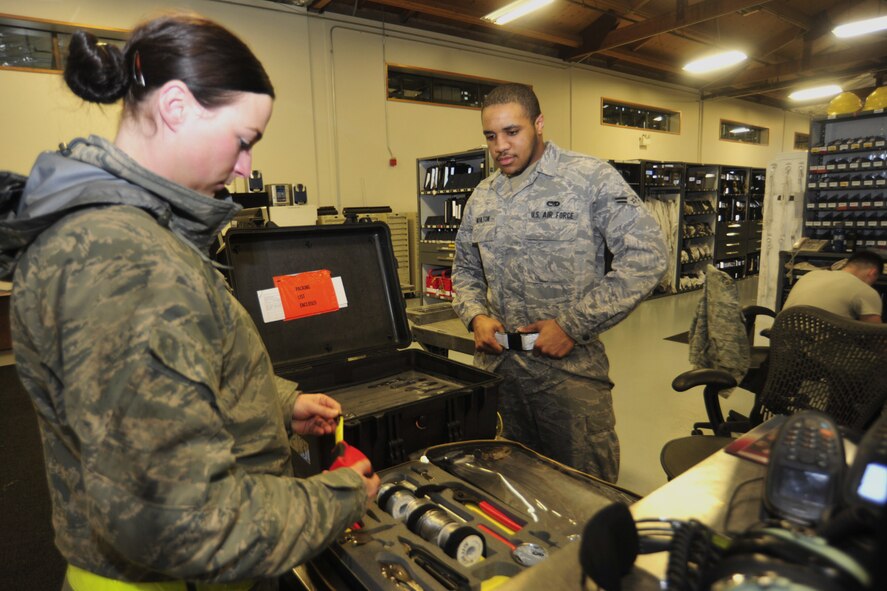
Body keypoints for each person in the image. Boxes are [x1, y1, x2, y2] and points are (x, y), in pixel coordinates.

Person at [0, 14, 379, 591]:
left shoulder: (144, 235)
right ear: (176, 106)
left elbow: (178, 368)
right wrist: (340, 496)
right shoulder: (125, 261)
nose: (246, 166)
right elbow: (183, 523)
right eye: (243, 140)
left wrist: (274, 403)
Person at [451, 83, 667, 482]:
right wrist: (475, 315)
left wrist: (572, 325)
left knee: (586, 492)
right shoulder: (483, 196)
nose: (500, 146)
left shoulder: (588, 178)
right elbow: (465, 270)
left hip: (567, 377)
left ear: (538, 123)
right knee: (511, 489)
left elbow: (647, 256)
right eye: (490, 136)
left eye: (512, 132)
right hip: (500, 374)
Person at [783, 250, 884, 323]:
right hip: (826, 350)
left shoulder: (811, 275)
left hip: (782, 346)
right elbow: (875, 339)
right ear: (872, 273)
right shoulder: (865, 291)